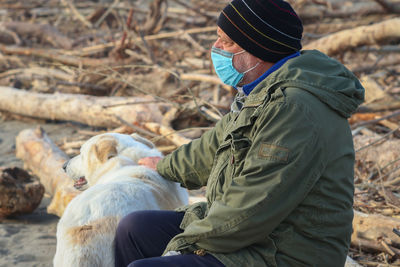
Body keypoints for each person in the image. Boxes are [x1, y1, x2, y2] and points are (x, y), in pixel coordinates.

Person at [114, 0, 365, 266]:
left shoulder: (293, 109)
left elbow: (253, 206)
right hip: (257, 236)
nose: (216, 48)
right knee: (134, 229)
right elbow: (211, 147)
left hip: (286, 251)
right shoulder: (263, 91)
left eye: (227, 42)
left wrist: (184, 245)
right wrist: (163, 167)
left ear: (259, 48)